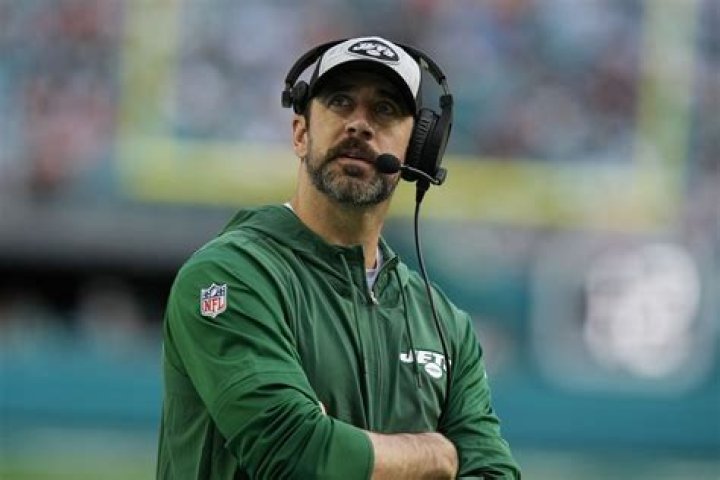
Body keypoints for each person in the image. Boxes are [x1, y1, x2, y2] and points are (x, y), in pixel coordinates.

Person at [156, 36, 520, 479]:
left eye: (384, 109)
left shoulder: (442, 323)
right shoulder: (229, 276)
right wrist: (436, 455)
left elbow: (494, 472)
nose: (360, 125)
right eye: (341, 102)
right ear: (301, 133)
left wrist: (344, 449)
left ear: (417, 150)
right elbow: (294, 454)